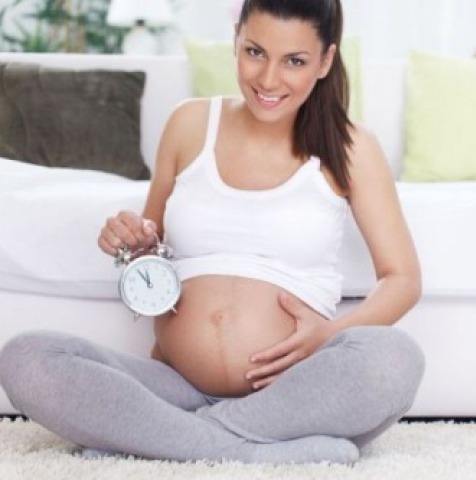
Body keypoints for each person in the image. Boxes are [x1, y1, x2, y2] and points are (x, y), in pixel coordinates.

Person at [0, 0, 424, 465]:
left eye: (295, 61)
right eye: (255, 52)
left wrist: (329, 336)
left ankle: (161, 440)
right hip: (173, 387)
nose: (267, 79)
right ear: (236, 39)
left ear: (325, 60)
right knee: (27, 358)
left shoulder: (352, 146)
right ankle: (257, 452)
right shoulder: (189, 124)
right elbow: (150, 255)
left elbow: (401, 278)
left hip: (291, 394)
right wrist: (133, 247)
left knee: (395, 359)